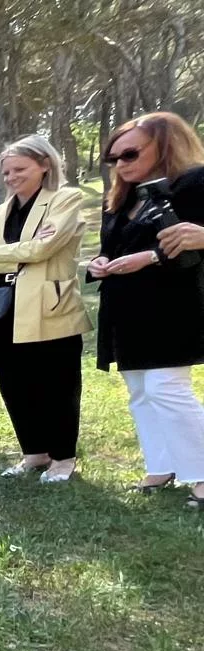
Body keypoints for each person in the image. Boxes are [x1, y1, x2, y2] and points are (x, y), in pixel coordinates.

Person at [88, 111, 204, 510]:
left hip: (173, 303)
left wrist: (151, 258)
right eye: (113, 158)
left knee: (165, 388)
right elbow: (111, 248)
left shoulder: (194, 183)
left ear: (164, 145)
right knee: (139, 391)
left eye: (130, 153)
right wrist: (99, 263)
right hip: (125, 306)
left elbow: (188, 247)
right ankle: (162, 465)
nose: (120, 164)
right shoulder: (122, 198)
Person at [0, 136, 91, 484]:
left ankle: (63, 458)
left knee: (58, 384)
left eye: (19, 169)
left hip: (49, 305)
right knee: (15, 384)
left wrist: (0, 254)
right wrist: (26, 250)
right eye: (6, 171)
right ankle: (34, 452)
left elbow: (45, 249)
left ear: (44, 165)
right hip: (3, 307)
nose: (11, 177)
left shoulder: (65, 199)